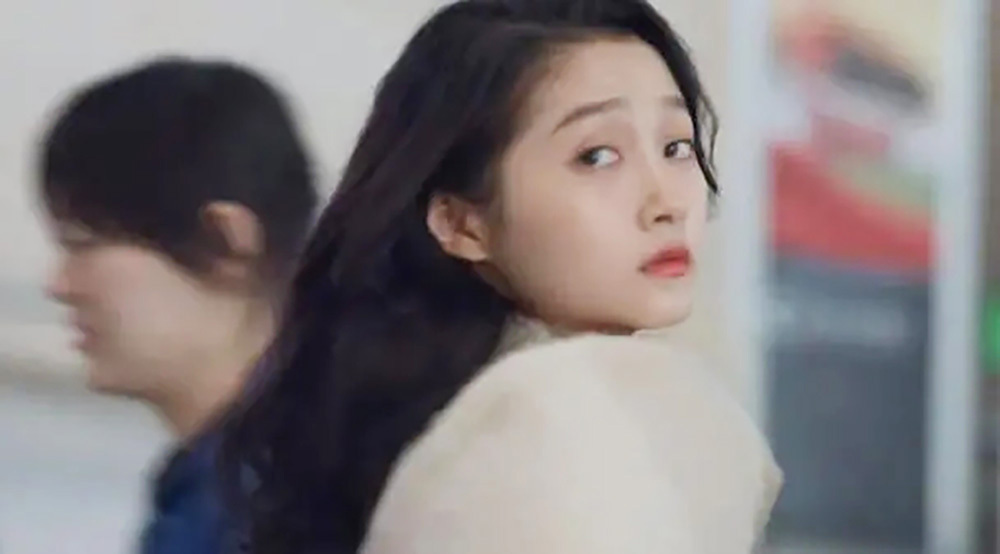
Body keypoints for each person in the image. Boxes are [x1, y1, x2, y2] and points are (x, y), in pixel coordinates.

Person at [224, 0, 782, 552]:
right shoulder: (543, 442)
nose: (667, 203)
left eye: (676, 146)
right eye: (597, 156)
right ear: (462, 223)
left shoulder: (470, 417)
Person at [37, 57, 318, 554]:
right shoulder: (229, 481)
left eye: (83, 244)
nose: (59, 285)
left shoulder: (274, 505)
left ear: (225, 242)